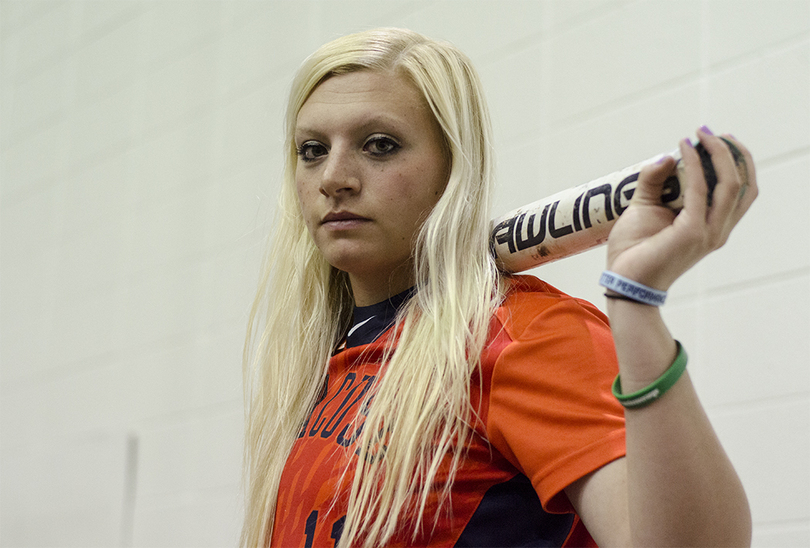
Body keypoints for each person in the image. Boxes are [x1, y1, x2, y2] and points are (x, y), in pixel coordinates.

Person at [242, 28, 756, 548]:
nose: (334, 176)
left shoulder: (525, 337)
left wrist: (636, 299)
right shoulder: (322, 362)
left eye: (380, 145)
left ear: (452, 169)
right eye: (312, 149)